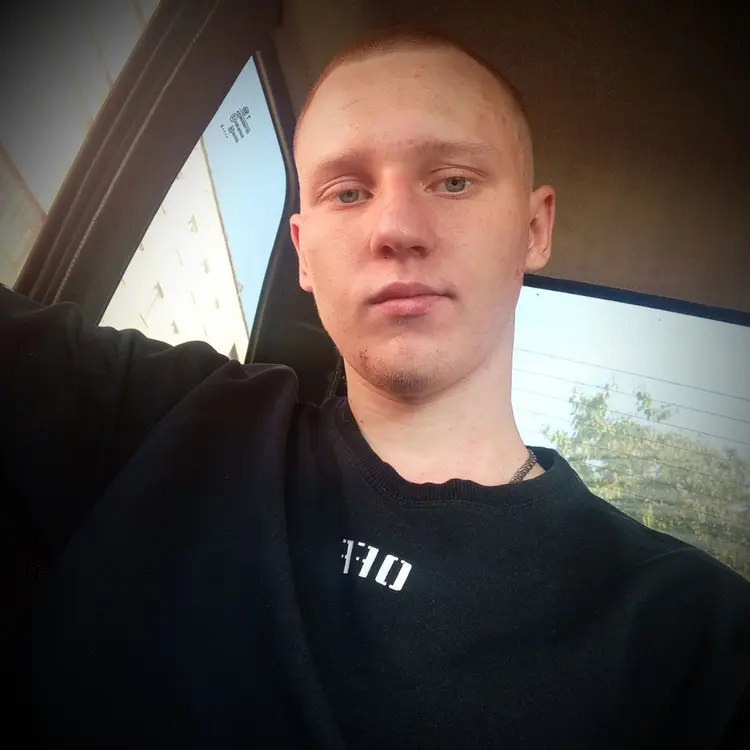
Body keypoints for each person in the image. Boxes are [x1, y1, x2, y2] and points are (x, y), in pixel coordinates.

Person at [3, 27, 749, 749]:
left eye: (452, 181)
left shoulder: (693, 639)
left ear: (534, 228)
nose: (395, 228)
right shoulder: (164, 421)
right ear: (303, 253)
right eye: (348, 191)